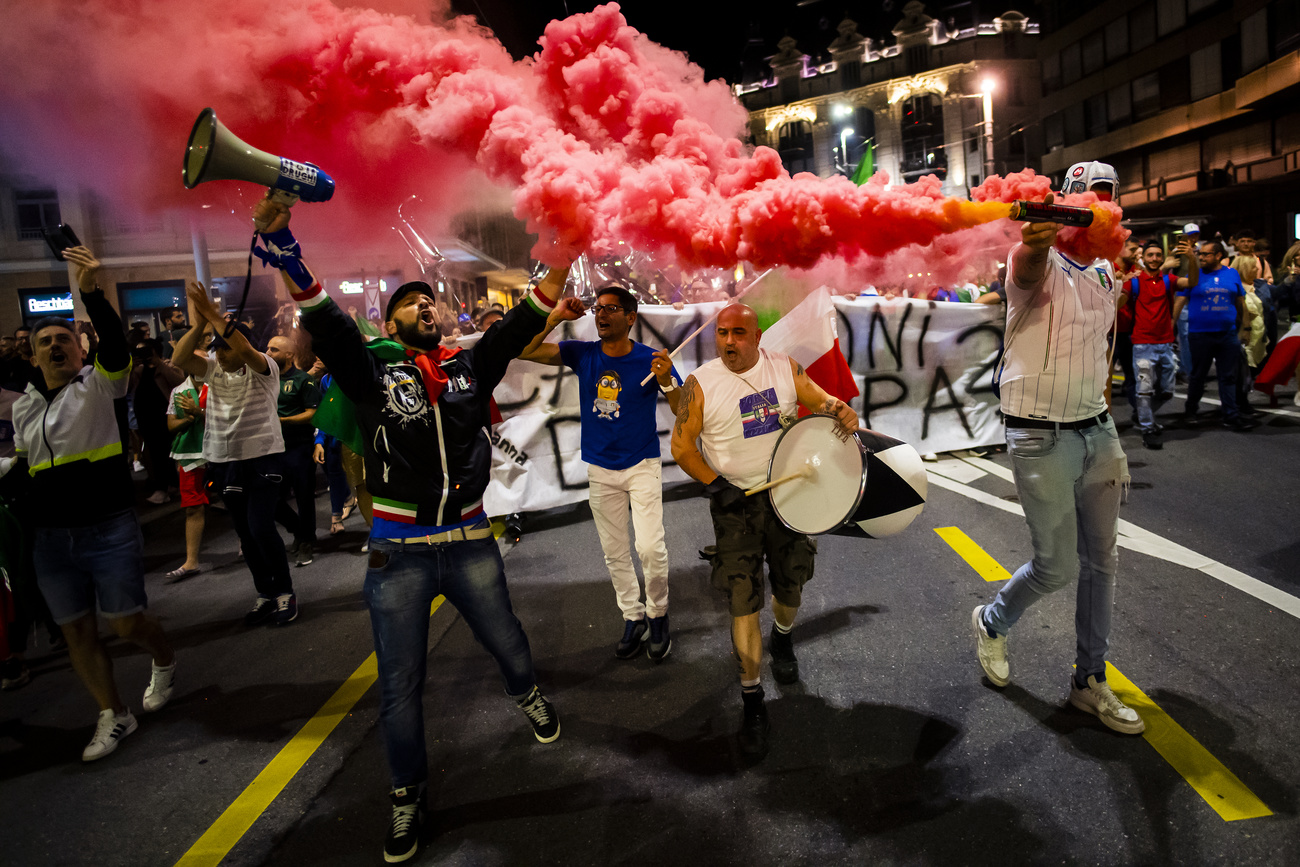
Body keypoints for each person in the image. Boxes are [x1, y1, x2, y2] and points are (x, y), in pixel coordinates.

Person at [252, 191, 576, 864]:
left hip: (469, 542)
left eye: (432, 300)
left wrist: (563, 258)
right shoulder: (369, 368)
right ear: (391, 318)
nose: (426, 304)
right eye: (411, 301)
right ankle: (406, 793)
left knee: (509, 641)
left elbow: (523, 323)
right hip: (397, 556)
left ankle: (528, 691)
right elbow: (326, 320)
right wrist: (286, 249)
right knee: (399, 687)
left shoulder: (466, 365)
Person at [976, 164, 1146, 736]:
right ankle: (994, 623)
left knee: (1104, 563)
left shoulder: (1108, 271)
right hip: (1038, 432)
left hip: (1096, 429)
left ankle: (1088, 682)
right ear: (1064, 202)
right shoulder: (1037, 259)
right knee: (1056, 566)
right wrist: (1032, 244)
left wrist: (1109, 428)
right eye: (1084, 197)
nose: (1095, 205)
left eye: (1106, 196)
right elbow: (1024, 270)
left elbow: (1100, 353)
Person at [0, 245, 176, 761]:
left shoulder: (101, 385)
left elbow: (116, 350)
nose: (56, 347)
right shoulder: (26, 407)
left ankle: (163, 659)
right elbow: (27, 464)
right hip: (51, 540)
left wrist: (93, 292)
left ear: (81, 351)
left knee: (125, 623)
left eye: (64, 340)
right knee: (77, 630)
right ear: (31, 356)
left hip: (108, 527)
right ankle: (113, 713)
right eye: (45, 342)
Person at [670, 303, 858, 757]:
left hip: (789, 497)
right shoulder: (701, 383)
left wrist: (841, 411)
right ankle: (752, 697)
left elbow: (823, 401)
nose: (728, 342)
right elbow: (681, 446)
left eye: (738, 333)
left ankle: (784, 636)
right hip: (736, 506)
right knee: (742, 598)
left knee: (792, 584)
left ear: (757, 337)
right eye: (721, 333)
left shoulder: (784, 367)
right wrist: (718, 487)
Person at [518, 284, 682, 660]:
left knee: (650, 548)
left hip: (642, 464)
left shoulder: (650, 358)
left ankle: (658, 615)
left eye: (610, 308)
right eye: (598, 308)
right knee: (615, 552)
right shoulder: (582, 353)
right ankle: (633, 616)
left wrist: (667, 378)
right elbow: (524, 349)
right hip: (601, 469)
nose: (601, 314)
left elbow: (680, 407)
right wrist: (556, 317)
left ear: (631, 317)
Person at [170, 285, 299, 625]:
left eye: (226, 348)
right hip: (223, 461)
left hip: (262, 459)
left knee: (260, 528)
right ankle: (265, 594)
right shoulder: (212, 370)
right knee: (245, 533)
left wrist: (215, 317)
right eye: (217, 350)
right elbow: (180, 359)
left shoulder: (264, 368)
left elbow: (242, 346)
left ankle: (285, 591)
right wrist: (199, 325)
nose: (221, 355)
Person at [1118, 239, 1198, 450]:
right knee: (1144, 391)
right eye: (1150, 255)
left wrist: (1191, 258)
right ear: (1143, 259)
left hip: (1165, 343)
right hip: (1142, 343)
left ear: (1162, 258)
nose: (1154, 259)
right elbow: (1119, 302)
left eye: (1158, 255)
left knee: (1167, 391)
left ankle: (1144, 414)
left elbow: (1191, 283)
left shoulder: (1168, 280)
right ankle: (1147, 428)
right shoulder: (1133, 281)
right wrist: (1118, 284)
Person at [1174, 241, 1255, 431]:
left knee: (1228, 376)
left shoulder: (1231, 274)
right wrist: (1172, 325)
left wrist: (1246, 327)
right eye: (1200, 254)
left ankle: (1231, 416)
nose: (1201, 258)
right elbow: (1180, 300)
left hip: (1227, 335)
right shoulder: (1194, 276)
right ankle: (1191, 412)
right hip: (1200, 335)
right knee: (1198, 376)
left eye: (1206, 254)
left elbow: (1240, 301)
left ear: (1218, 255)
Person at [267, 335, 321, 567]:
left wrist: (283, 420)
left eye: (274, 349)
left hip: (298, 447)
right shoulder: (264, 380)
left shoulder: (302, 380)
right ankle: (299, 530)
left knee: (304, 496)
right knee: (270, 498)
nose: (268, 353)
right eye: (268, 348)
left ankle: (306, 540)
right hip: (271, 448)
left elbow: (312, 413)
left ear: (289, 355)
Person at [163, 364, 210, 582]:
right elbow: (171, 425)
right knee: (192, 506)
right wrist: (189, 419)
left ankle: (245, 545)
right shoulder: (179, 391)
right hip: (190, 453)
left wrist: (198, 411)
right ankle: (191, 561)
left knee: (236, 498)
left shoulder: (219, 385)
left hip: (221, 450)